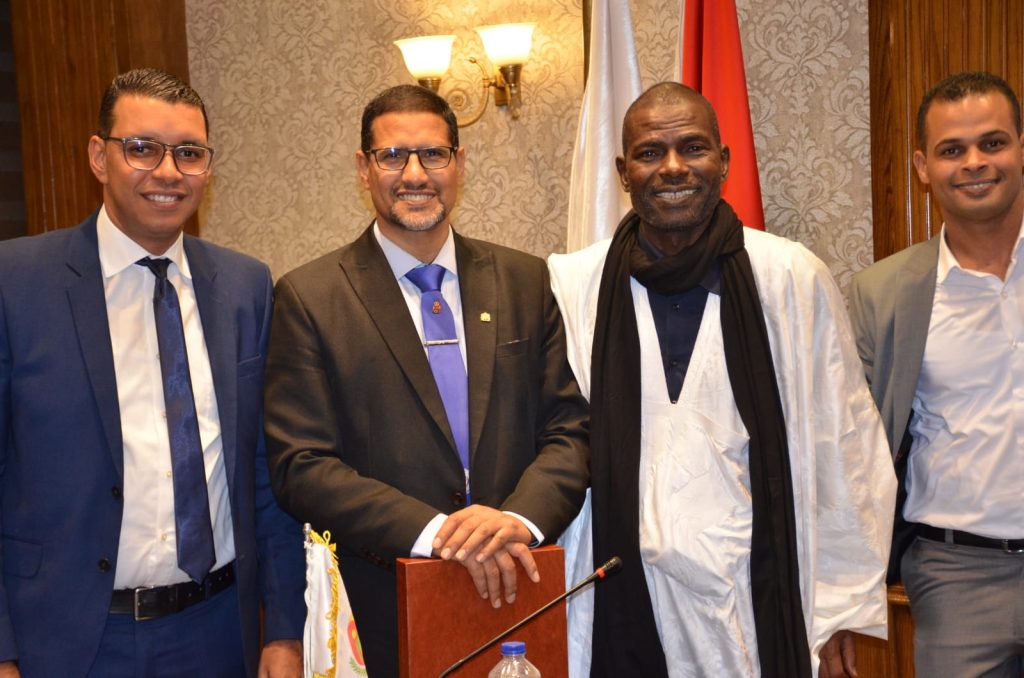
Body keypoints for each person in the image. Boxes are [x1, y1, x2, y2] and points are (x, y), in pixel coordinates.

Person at [548, 82, 895, 677]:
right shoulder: (573, 284)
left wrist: (842, 606)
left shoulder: (789, 276)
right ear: (623, 171)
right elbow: (552, 441)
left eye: (693, 147)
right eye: (650, 152)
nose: (673, 167)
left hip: (754, 592)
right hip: (620, 590)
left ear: (724, 161)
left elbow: (844, 441)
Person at [263, 84, 590, 678]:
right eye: (392, 156)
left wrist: (517, 521)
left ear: (459, 163)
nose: (414, 174)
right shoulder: (309, 297)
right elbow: (301, 464)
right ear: (363, 168)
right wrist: (437, 533)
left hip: (518, 590)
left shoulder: (523, 280)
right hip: (379, 608)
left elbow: (569, 432)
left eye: (433, 154)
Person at [0, 68, 305, 677]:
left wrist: (283, 631)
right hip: (67, 642)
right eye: (142, 148)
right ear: (99, 156)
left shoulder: (245, 286)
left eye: (189, 153)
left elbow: (265, 473)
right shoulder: (16, 282)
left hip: (218, 631)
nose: (168, 172)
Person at [849, 71, 1024, 677]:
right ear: (924, 167)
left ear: (1021, 148)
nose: (974, 162)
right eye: (953, 149)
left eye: (992, 142)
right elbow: (855, 450)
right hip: (955, 578)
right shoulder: (883, 294)